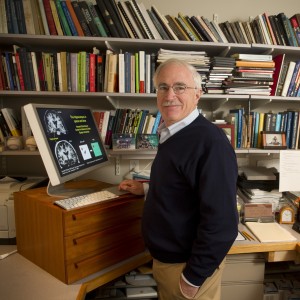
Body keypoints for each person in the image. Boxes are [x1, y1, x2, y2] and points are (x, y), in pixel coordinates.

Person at [119, 58, 238, 300]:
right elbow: (185, 186)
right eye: (163, 87)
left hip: (187, 270)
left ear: (198, 95)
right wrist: (146, 190)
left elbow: (223, 223)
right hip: (169, 262)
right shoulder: (173, 131)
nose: (170, 95)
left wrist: (193, 278)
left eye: (180, 87)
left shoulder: (210, 142)